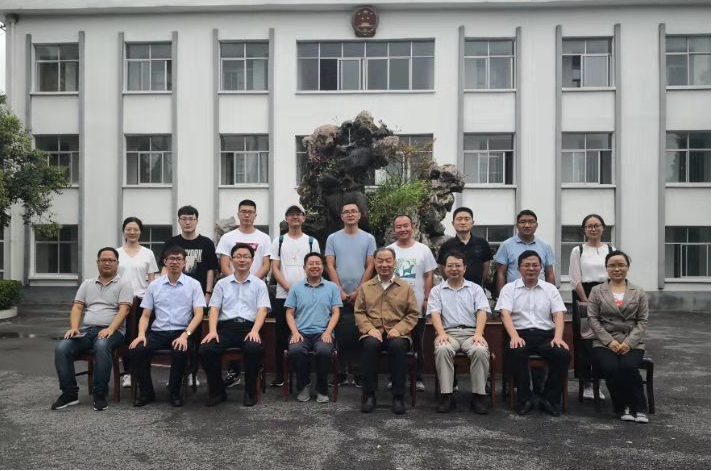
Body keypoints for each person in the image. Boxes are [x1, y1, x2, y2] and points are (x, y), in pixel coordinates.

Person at [51, 247, 133, 412]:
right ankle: (69, 394)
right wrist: (74, 328)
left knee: (101, 345)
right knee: (62, 348)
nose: (107, 263)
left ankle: (100, 394)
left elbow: (124, 310)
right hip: (87, 331)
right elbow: (77, 307)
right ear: (98, 263)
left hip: (114, 332)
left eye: (111, 260)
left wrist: (111, 328)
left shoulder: (124, 284)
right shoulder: (87, 284)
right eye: (103, 260)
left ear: (117, 263)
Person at [495, 250, 570, 417]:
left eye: (535, 265)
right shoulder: (509, 288)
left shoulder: (550, 289)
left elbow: (558, 314)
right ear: (519, 268)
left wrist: (558, 337)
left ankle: (549, 399)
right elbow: (505, 314)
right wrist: (514, 336)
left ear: (541, 268)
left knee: (562, 354)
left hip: (545, 335)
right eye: (527, 265)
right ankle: (524, 399)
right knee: (516, 352)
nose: (531, 268)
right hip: (520, 334)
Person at [129, 246, 206, 408]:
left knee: (180, 350)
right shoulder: (154, 285)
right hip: (158, 332)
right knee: (137, 350)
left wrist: (185, 335)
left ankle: (174, 392)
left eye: (178, 259)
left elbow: (199, 314)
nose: (174, 262)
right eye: (171, 259)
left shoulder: (193, 285)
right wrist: (141, 334)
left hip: (181, 332)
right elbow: (145, 315)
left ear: (184, 263)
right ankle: (146, 392)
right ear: (165, 262)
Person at [199, 243, 271, 407]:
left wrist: (255, 331)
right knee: (206, 349)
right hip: (226, 329)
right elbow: (214, 309)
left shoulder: (259, 284)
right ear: (231, 260)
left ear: (252, 261)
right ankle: (218, 391)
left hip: (249, 328)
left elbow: (262, 310)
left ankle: (250, 392)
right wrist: (212, 331)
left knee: (253, 348)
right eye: (238, 256)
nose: (242, 260)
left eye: (246, 256)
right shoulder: (222, 284)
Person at [159, 205, 219, 389]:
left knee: (195, 336)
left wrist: (208, 293)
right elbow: (163, 269)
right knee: (175, 334)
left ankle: (193, 373)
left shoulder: (206, 243)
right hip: (174, 295)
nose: (187, 222)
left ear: (196, 220)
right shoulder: (171, 242)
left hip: (198, 296)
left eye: (191, 218)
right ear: (179, 221)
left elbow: (210, 270)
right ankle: (176, 375)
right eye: (184, 218)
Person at [588, 250, 650, 424]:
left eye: (621, 265)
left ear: (627, 267)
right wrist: (610, 342)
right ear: (607, 268)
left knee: (629, 366)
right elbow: (593, 319)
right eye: (612, 265)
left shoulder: (639, 292)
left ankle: (639, 408)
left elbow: (642, 321)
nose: (617, 269)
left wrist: (629, 343)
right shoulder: (597, 291)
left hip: (632, 342)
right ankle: (622, 407)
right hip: (604, 342)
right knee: (611, 367)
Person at [355, 247, 419, 415]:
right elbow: (359, 312)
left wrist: (399, 329)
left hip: (398, 332)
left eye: (388, 260)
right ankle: (370, 394)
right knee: (370, 345)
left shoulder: (405, 287)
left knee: (398, 346)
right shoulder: (366, 287)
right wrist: (369, 328)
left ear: (394, 263)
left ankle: (398, 396)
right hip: (373, 331)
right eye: (380, 261)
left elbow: (413, 314)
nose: (384, 264)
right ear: (374, 263)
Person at [215, 199, 272, 388]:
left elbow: (266, 264)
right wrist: (236, 280)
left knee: (252, 329)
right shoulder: (228, 237)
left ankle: (253, 375)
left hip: (255, 288)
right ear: (238, 214)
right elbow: (224, 264)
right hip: (231, 286)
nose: (247, 214)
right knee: (231, 322)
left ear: (255, 215)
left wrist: (250, 281)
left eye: (250, 212)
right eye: (243, 211)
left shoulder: (264, 237)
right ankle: (233, 372)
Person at [428, 252, 491, 414]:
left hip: (472, 332)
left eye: (458, 265)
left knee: (480, 350)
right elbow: (435, 313)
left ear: (465, 268)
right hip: (448, 333)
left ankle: (478, 397)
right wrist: (441, 333)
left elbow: (482, 312)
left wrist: (479, 334)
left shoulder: (475, 289)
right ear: (444, 268)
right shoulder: (437, 290)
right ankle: (447, 396)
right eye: (450, 266)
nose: (454, 269)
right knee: (442, 349)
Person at [325, 202, 377, 387]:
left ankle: (359, 372)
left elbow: (371, 265)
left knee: (360, 331)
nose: (350, 214)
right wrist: (338, 289)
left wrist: (360, 290)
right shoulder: (332, 238)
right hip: (338, 293)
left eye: (354, 211)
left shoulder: (369, 238)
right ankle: (339, 372)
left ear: (359, 215)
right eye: (346, 212)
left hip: (362, 294)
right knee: (339, 332)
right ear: (341, 216)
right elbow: (330, 265)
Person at [270, 204, 320, 388]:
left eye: (298, 214)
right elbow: (275, 268)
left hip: (307, 294)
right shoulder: (279, 241)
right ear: (286, 219)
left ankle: (302, 374)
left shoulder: (311, 241)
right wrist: (288, 287)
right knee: (281, 335)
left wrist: (302, 289)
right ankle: (281, 374)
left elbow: (315, 266)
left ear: (303, 218)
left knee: (303, 333)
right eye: (291, 215)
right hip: (283, 295)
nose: (295, 217)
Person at [388, 214, 437, 392]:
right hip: (393, 307)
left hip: (416, 304)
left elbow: (429, 275)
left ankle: (417, 378)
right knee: (394, 342)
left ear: (413, 227)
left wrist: (427, 298)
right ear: (394, 230)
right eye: (398, 226)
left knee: (417, 343)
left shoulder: (423, 249)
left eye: (405, 225)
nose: (402, 229)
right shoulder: (389, 250)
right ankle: (394, 377)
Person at [285, 252, 341, 403]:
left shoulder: (332, 287)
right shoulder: (296, 287)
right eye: (311, 263)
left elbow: (336, 312)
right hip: (301, 332)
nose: (314, 266)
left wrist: (328, 331)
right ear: (304, 267)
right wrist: (295, 332)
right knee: (296, 350)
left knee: (324, 351)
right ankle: (303, 385)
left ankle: (322, 388)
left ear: (323, 267)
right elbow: (289, 313)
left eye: (318, 263)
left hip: (323, 332)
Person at [569, 214, 613, 400]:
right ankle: (586, 382)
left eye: (597, 225)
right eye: (589, 226)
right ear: (584, 230)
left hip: (607, 295)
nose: (593, 229)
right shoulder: (578, 250)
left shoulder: (611, 250)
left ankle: (601, 382)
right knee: (585, 340)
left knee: (605, 338)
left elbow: (615, 276)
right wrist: (587, 302)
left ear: (603, 228)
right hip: (584, 295)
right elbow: (575, 279)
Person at [117, 216, 159, 389]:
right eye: (129, 229)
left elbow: (152, 279)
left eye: (135, 229)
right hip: (121, 303)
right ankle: (127, 373)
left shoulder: (148, 253)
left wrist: (152, 300)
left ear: (140, 232)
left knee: (142, 338)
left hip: (142, 302)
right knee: (125, 338)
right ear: (123, 231)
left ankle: (142, 374)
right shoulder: (117, 253)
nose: (132, 232)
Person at [494, 210, 555, 296]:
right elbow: (501, 274)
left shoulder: (545, 246)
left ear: (536, 225)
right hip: (514, 294)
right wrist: (502, 296)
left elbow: (550, 274)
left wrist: (551, 295)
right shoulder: (506, 245)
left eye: (531, 222)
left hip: (540, 294)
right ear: (517, 225)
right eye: (522, 222)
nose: (527, 225)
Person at [437, 207, 492, 288]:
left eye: (466, 219)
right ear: (453, 223)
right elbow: (442, 268)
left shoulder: (482, 243)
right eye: (459, 219)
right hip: (453, 289)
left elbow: (486, 267)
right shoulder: (446, 245)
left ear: (472, 223)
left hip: (476, 289)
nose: (463, 222)